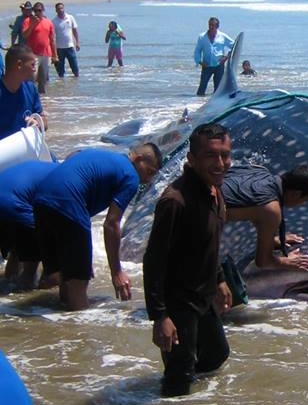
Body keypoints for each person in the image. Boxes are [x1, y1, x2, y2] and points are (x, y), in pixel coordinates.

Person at [143, 123, 232, 397]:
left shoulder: (215, 190)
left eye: (225, 155)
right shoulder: (175, 201)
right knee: (177, 381)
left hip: (203, 295)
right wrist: (160, 317)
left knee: (217, 354)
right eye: (210, 156)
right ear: (191, 160)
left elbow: (208, 243)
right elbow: (153, 261)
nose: (220, 164)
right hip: (178, 302)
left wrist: (219, 279)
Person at [32, 143, 162, 311]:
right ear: (138, 159)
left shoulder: (104, 156)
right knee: (79, 281)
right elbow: (111, 224)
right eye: (149, 172)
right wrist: (116, 272)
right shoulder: (131, 176)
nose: (148, 179)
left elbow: (72, 155)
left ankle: (44, 325)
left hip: (40, 200)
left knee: (60, 276)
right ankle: (79, 332)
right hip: (69, 203)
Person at [222, 164, 308, 271]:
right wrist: (286, 261)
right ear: (296, 194)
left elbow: (252, 207)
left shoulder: (259, 170)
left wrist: (271, 239)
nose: (302, 204)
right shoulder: (272, 210)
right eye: (305, 200)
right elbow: (263, 262)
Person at [0, 160, 59, 289]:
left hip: (6, 202)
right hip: (14, 204)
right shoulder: (63, 175)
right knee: (31, 268)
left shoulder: (41, 166)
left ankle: (8, 288)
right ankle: (26, 303)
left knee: (16, 251)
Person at [0, 44, 47, 141]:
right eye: (32, 65)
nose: (34, 69)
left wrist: (38, 123)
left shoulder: (30, 88)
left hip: (25, 149)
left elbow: (44, 121)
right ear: (19, 65)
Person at [22, 2, 57, 94]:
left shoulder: (48, 22)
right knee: (32, 78)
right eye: (36, 11)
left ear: (43, 10)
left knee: (43, 79)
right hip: (33, 54)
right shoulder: (28, 21)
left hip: (46, 54)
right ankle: (30, 97)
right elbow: (25, 35)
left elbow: (52, 40)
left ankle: (42, 100)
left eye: (39, 10)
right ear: (33, 11)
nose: (38, 12)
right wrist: (32, 25)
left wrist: (55, 55)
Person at [193, 17, 234, 96]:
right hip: (207, 65)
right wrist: (200, 62)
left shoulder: (222, 36)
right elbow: (197, 51)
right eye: (210, 25)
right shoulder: (202, 37)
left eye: (213, 25)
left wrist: (226, 57)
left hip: (219, 65)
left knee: (218, 89)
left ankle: (215, 105)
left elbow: (233, 45)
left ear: (217, 26)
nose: (211, 27)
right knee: (202, 88)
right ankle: (199, 102)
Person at [52, 2, 79, 78]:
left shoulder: (70, 17)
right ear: (56, 10)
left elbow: (75, 30)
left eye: (61, 8)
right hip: (59, 48)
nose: (60, 10)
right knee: (60, 71)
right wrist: (53, 51)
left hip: (70, 47)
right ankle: (61, 85)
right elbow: (52, 36)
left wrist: (77, 42)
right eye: (58, 9)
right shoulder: (54, 21)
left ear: (64, 8)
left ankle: (76, 82)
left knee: (75, 68)